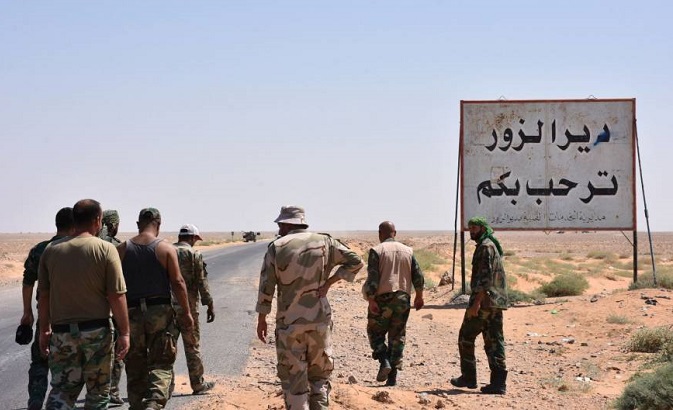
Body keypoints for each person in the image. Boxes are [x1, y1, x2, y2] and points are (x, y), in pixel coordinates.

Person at [256, 205, 364, 410]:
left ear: (287, 224)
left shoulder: (277, 247)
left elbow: (266, 287)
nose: (279, 229)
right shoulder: (326, 242)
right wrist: (330, 282)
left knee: (294, 379)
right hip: (319, 322)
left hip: (290, 324)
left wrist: (262, 319)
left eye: (280, 225)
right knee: (319, 378)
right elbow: (356, 262)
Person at [37, 199, 130, 409]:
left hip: (61, 335)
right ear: (98, 220)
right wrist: (125, 332)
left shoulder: (51, 251)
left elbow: (43, 295)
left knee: (62, 391)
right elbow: (117, 295)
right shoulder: (106, 250)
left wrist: (44, 330)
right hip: (97, 332)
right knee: (97, 395)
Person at [117, 207, 193, 410]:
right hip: (158, 311)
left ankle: (136, 405)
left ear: (138, 224)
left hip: (131, 312)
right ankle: (154, 403)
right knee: (161, 362)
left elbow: (114, 288)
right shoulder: (166, 249)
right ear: (158, 224)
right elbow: (177, 282)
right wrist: (186, 312)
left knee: (134, 365)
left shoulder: (122, 249)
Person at [20, 207, 74, 410]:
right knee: (69, 366)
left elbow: (27, 282)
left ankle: (35, 401)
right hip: (70, 318)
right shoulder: (78, 250)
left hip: (45, 316)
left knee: (40, 362)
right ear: (74, 225)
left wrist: (28, 312)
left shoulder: (40, 249)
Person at [450, 216, 509, 394]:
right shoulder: (491, 245)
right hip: (496, 303)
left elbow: (485, 277)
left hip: (483, 303)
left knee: (465, 337)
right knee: (494, 341)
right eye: (470, 228)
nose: (472, 231)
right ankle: (498, 383)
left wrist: (476, 302)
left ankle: (468, 377)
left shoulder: (485, 247)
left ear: (483, 228)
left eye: (475, 228)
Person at [362, 221, 425, 386]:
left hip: (383, 297)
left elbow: (373, 278)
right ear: (395, 233)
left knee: (375, 332)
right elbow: (418, 275)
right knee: (397, 336)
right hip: (403, 298)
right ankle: (392, 378)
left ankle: (384, 362)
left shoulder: (377, 250)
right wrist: (419, 295)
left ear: (380, 233)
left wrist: (371, 299)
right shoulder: (408, 251)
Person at [169, 224, 216, 395]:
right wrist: (209, 304)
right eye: (196, 239)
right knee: (192, 347)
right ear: (192, 238)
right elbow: (201, 282)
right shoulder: (194, 254)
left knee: (168, 347)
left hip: (168, 308)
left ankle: (166, 386)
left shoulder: (166, 251)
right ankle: (198, 384)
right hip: (188, 309)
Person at [97, 209, 125, 405]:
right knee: (117, 353)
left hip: (90, 308)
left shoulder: (88, 244)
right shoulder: (116, 247)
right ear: (113, 225)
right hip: (111, 308)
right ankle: (112, 392)